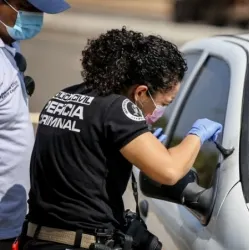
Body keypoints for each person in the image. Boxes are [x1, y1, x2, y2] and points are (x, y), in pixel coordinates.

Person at [17, 27, 223, 250]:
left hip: (38, 239)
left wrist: (145, 145)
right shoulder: (119, 108)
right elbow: (170, 171)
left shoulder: (65, 95)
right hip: (78, 242)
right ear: (141, 92)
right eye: (165, 103)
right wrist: (197, 135)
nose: (159, 112)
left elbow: (85, 161)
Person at [0, 0, 70, 249]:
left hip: (12, 222)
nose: (35, 16)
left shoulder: (10, 46)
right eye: (26, 7)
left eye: (39, 10)